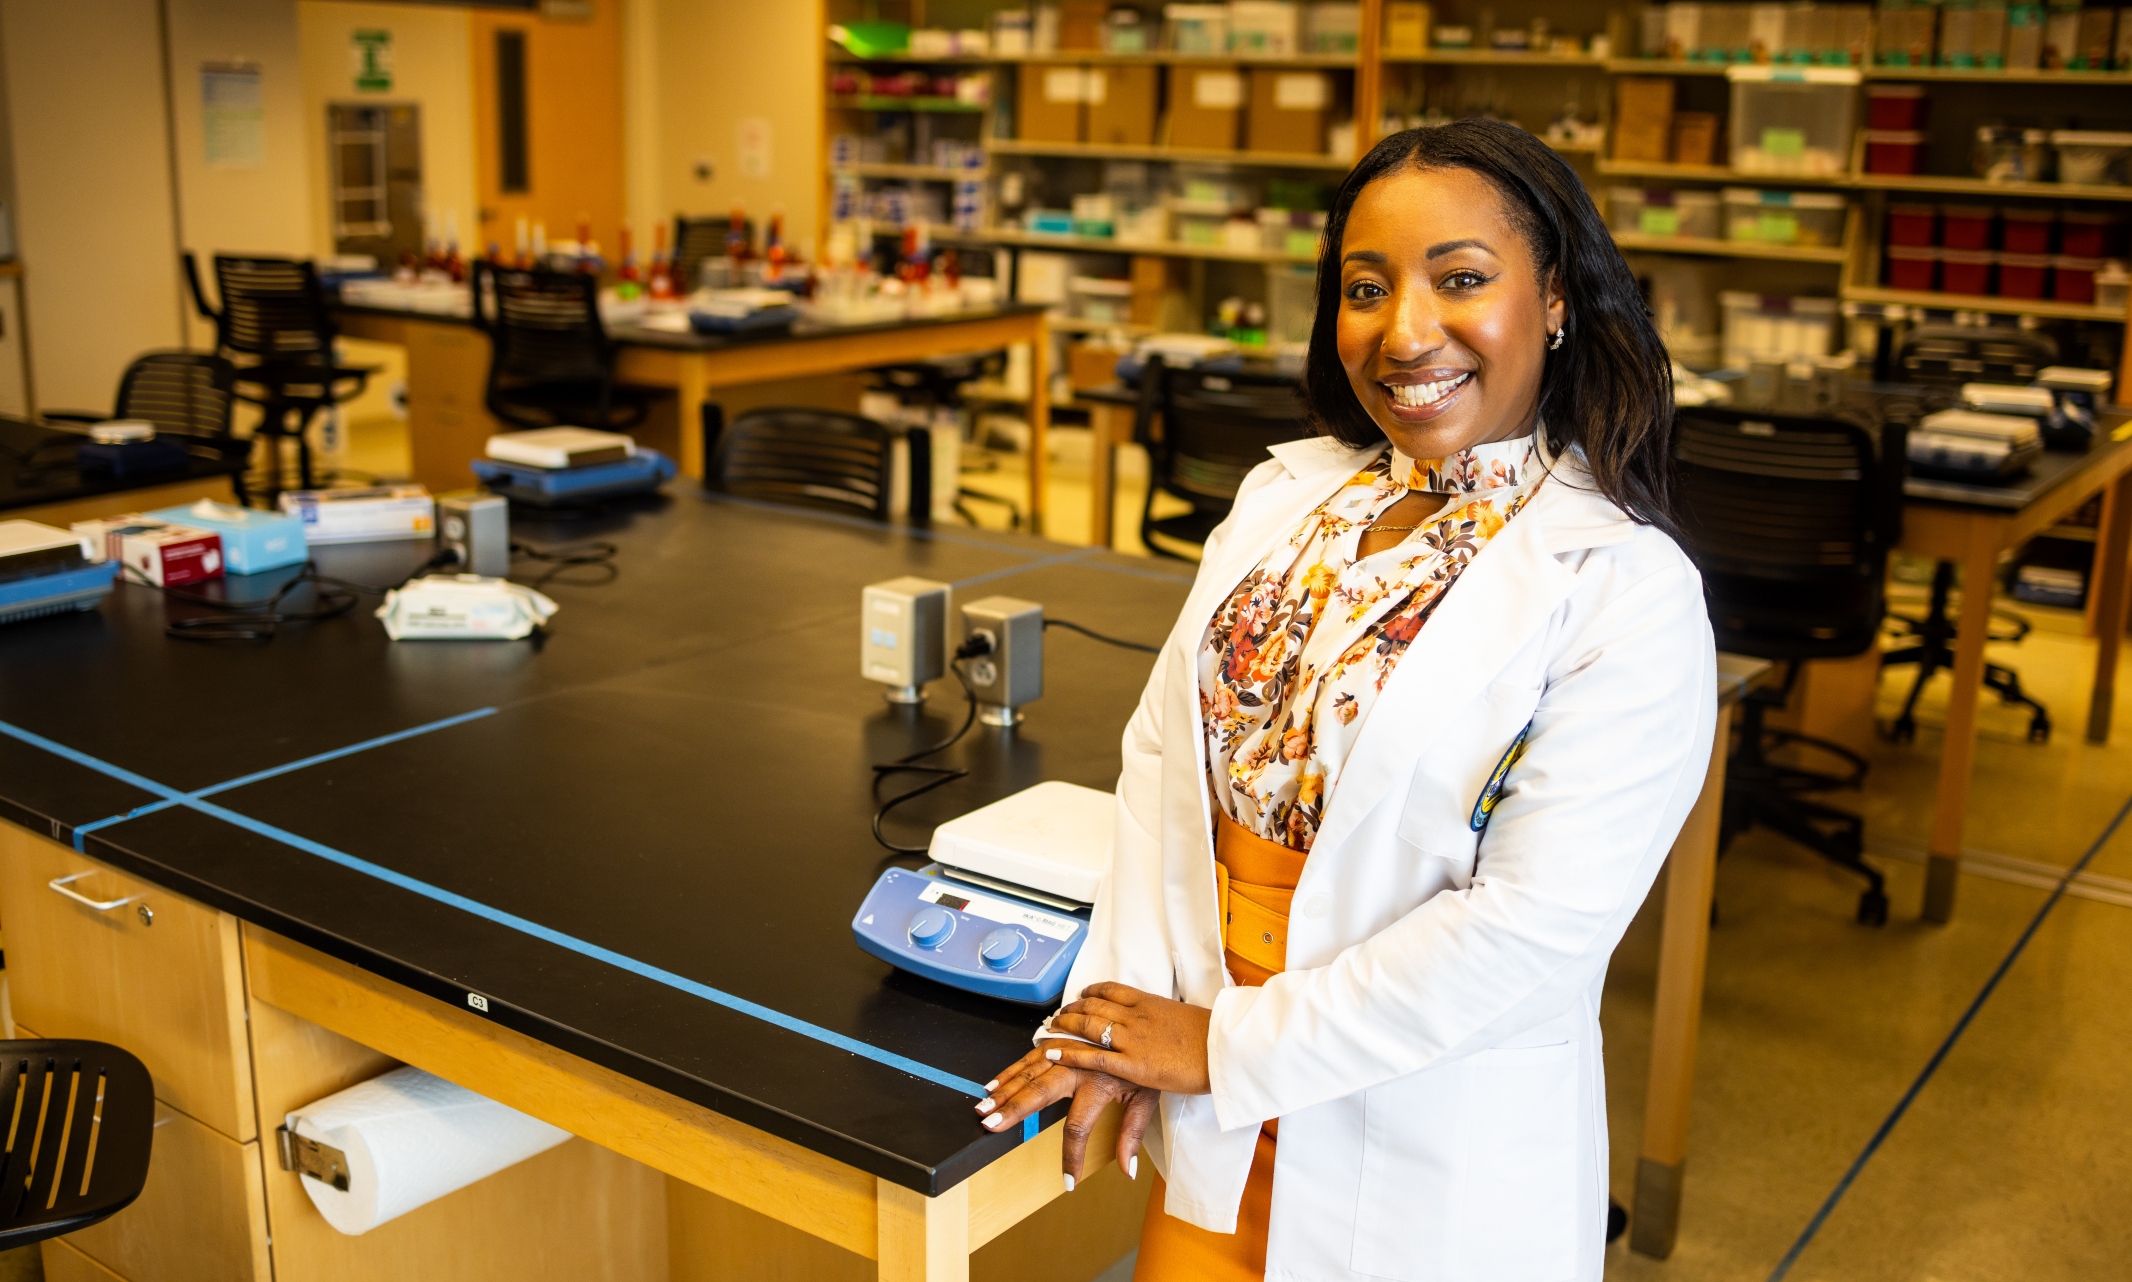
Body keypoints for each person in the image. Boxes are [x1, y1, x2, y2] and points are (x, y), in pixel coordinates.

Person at [976, 119, 1718, 1281]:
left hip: (1417, 1142)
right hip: (1209, 1110)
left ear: (1555, 299)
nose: (1404, 331)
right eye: (1364, 289)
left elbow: (1529, 929)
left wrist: (1218, 1045)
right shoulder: (1283, 501)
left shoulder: (1623, 587)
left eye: (1459, 279)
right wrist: (1115, 1021)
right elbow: (1161, 772)